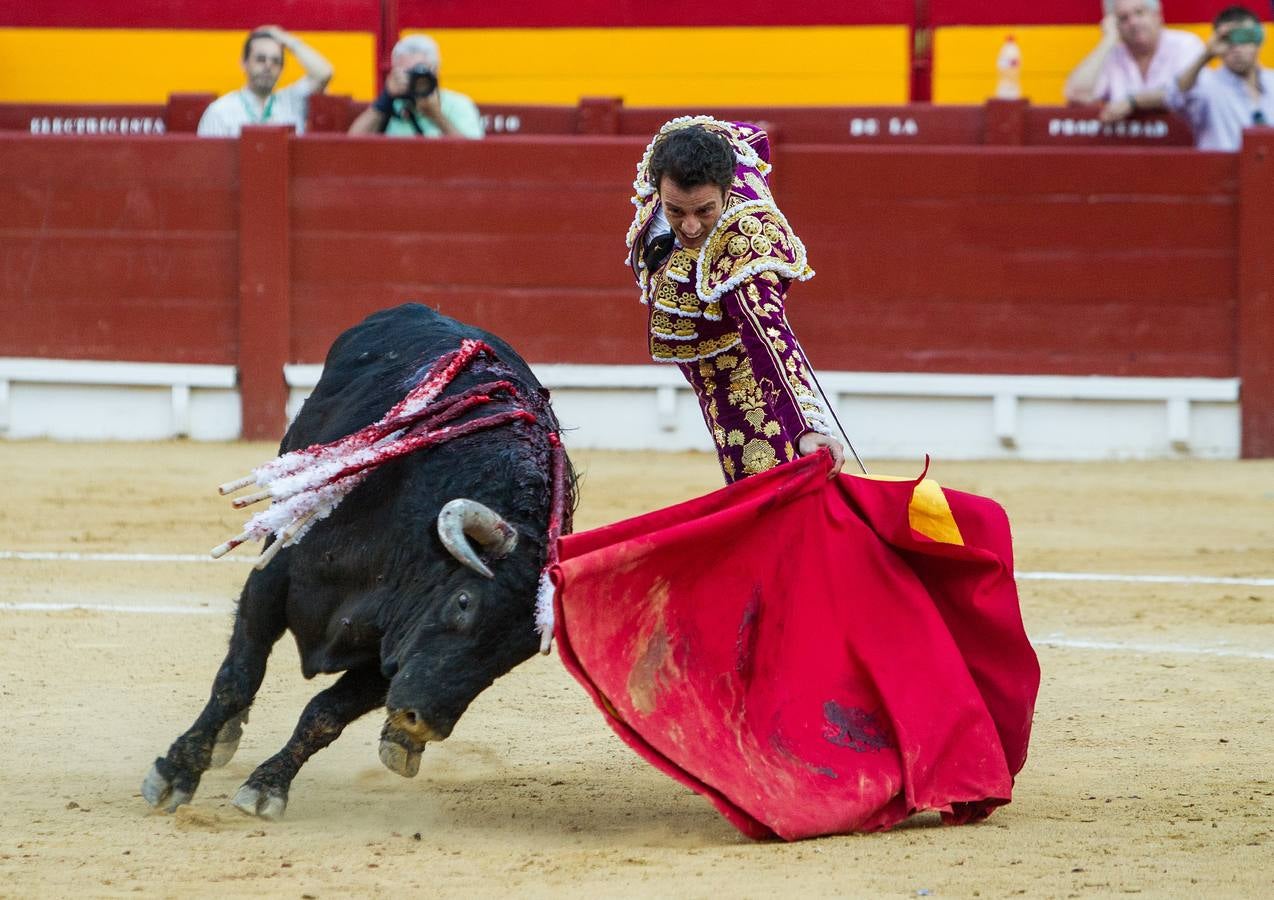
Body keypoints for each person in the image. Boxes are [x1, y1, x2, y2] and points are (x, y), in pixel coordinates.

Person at [625, 117, 845, 483]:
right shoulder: (678, 158)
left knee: (767, 486)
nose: (691, 226)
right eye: (676, 210)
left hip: (742, 372)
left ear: (727, 192)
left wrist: (805, 426)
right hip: (705, 355)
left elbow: (768, 336)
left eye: (705, 210)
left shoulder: (744, 247)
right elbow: (749, 136)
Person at [1064, 0, 1204, 123]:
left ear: (1157, 15)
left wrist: (1133, 102)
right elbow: (1077, 94)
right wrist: (1108, 40)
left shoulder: (1186, 45)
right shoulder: (1113, 55)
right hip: (1125, 148)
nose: (1133, 22)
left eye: (1140, 13)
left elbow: (1185, 91)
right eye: (1123, 18)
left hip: (1182, 145)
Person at [1167, 5, 1274, 150]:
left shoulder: (1271, 81)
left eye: (1244, 38)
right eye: (1227, 40)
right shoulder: (1205, 84)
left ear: (1259, 39)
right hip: (1221, 171)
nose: (1237, 48)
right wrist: (1206, 55)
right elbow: (1174, 96)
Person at [197, 26, 333, 137]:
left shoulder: (293, 101)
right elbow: (208, 166)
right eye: (260, 59)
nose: (268, 66)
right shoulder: (220, 111)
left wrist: (288, 40)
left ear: (281, 69)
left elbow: (324, 73)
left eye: (276, 61)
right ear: (243, 63)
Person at [347, 35, 484, 138]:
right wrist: (386, 99)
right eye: (407, 74)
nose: (414, 81)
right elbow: (352, 145)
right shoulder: (390, 106)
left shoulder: (457, 104)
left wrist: (436, 115)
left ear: (435, 72)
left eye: (420, 73)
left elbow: (472, 154)